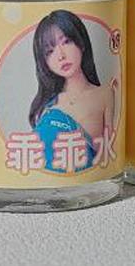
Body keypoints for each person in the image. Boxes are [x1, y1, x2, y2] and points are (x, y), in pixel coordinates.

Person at [29, 10, 117, 172]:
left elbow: (110, 152)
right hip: (43, 181)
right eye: (50, 51)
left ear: (81, 43)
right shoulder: (46, 108)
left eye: (66, 42)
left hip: (89, 180)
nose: (60, 55)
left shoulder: (104, 94)